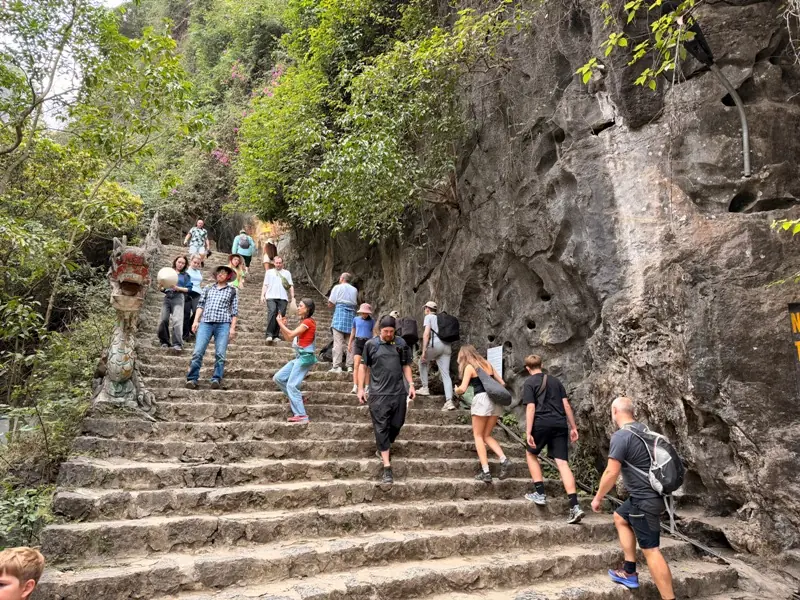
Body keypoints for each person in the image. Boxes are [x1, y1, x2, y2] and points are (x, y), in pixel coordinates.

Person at [591, 397, 675, 599]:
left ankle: (669, 598)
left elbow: (611, 473)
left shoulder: (621, 436)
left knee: (651, 550)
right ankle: (629, 571)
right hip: (651, 496)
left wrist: (598, 497)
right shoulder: (645, 430)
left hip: (644, 501)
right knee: (620, 517)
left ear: (614, 411)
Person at [522, 354, 585, 524]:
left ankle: (540, 493)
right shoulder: (556, 382)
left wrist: (528, 432)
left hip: (541, 423)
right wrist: (573, 427)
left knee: (531, 454)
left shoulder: (529, 383)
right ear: (542, 365)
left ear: (528, 368)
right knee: (562, 463)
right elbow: (566, 405)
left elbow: (531, 407)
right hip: (559, 424)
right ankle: (575, 506)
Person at [358, 316, 416, 485]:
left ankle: (384, 445)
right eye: (385, 332)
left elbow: (406, 365)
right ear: (379, 330)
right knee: (381, 427)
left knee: (397, 424)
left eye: (391, 331)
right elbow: (363, 366)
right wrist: (361, 388)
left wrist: (411, 385)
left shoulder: (401, 344)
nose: (389, 334)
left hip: (398, 392)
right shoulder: (371, 345)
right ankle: (387, 467)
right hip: (378, 394)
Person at [453, 345, 512, 482]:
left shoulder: (469, 367)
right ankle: (504, 459)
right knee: (486, 435)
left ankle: (486, 472)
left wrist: (456, 390)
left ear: (464, 356)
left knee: (478, 436)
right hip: (495, 401)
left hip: (481, 399)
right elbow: (502, 383)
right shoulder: (487, 364)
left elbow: (463, 388)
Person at [186, 265, 238, 390]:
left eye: (224, 273)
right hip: (206, 323)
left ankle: (216, 378)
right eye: (219, 272)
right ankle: (192, 378)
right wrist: (196, 321)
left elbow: (234, 311)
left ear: (228, 276)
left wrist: (232, 328)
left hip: (223, 324)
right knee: (198, 352)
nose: (220, 274)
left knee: (220, 353)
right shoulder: (208, 288)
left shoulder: (232, 291)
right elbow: (201, 305)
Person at [273, 298, 317, 423]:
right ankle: (298, 398)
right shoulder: (303, 322)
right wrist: (282, 325)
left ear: (307, 309)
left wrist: (280, 323)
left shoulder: (309, 322)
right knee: (278, 378)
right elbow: (288, 338)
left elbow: (291, 334)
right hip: (299, 357)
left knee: (291, 385)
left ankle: (301, 415)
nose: (298, 307)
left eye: (300, 306)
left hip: (305, 358)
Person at [417, 301, 454, 411]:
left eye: (425, 309)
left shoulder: (429, 317)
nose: (425, 310)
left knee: (422, 362)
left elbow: (426, 334)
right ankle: (449, 401)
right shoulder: (442, 319)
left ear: (428, 309)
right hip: (447, 346)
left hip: (436, 344)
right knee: (446, 374)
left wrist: (424, 351)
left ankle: (425, 388)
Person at [157, 255, 190, 351]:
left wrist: (178, 288)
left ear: (185, 265)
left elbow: (188, 289)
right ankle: (164, 341)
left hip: (178, 297)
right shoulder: (168, 272)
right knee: (163, 319)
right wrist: (160, 287)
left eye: (183, 263)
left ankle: (177, 343)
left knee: (177, 321)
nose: (180, 264)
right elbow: (163, 288)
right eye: (179, 262)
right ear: (175, 262)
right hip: (168, 296)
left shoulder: (185, 276)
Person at [328, 272, 358, 373]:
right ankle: (350, 366)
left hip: (339, 317)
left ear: (342, 278)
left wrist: (331, 303)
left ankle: (337, 366)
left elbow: (331, 303)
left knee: (338, 343)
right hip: (351, 317)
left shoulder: (337, 287)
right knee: (351, 342)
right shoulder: (355, 290)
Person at [261, 256, 294, 343]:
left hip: (283, 297)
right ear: (274, 263)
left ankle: (276, 335)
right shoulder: (269, 272)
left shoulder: (287, 273)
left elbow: (290, 286)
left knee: (280, 315)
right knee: (272, 311)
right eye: (277, 263)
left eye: (280, 263)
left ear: (282, 263)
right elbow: (265, 284)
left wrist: (292, 297)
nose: (278, 264)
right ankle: (269, 334)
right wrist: (262, 295)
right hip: (271, 296)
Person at [348, 303, 375, 394]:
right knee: (356, 365)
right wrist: (349, 343)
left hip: (367, 343)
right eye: (363, 313)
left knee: (366, 366)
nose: (364, 314)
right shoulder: (356, 319)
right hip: (358, 342)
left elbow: (374, 333)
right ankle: (355, 386)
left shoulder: (372, 321)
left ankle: (367, 386)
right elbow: (353, 331)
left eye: (366, 313)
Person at [183, 254, 204, 342]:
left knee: (197, 311)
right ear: (191, 262)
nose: (196, 264)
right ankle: (185, 334)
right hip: (188, 293)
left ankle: (191, 327)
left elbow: (199, 282)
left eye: (198, 263)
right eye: (194, 262)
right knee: (186, 314)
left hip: (198, 293)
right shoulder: (186, 271)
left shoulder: (199, 272)